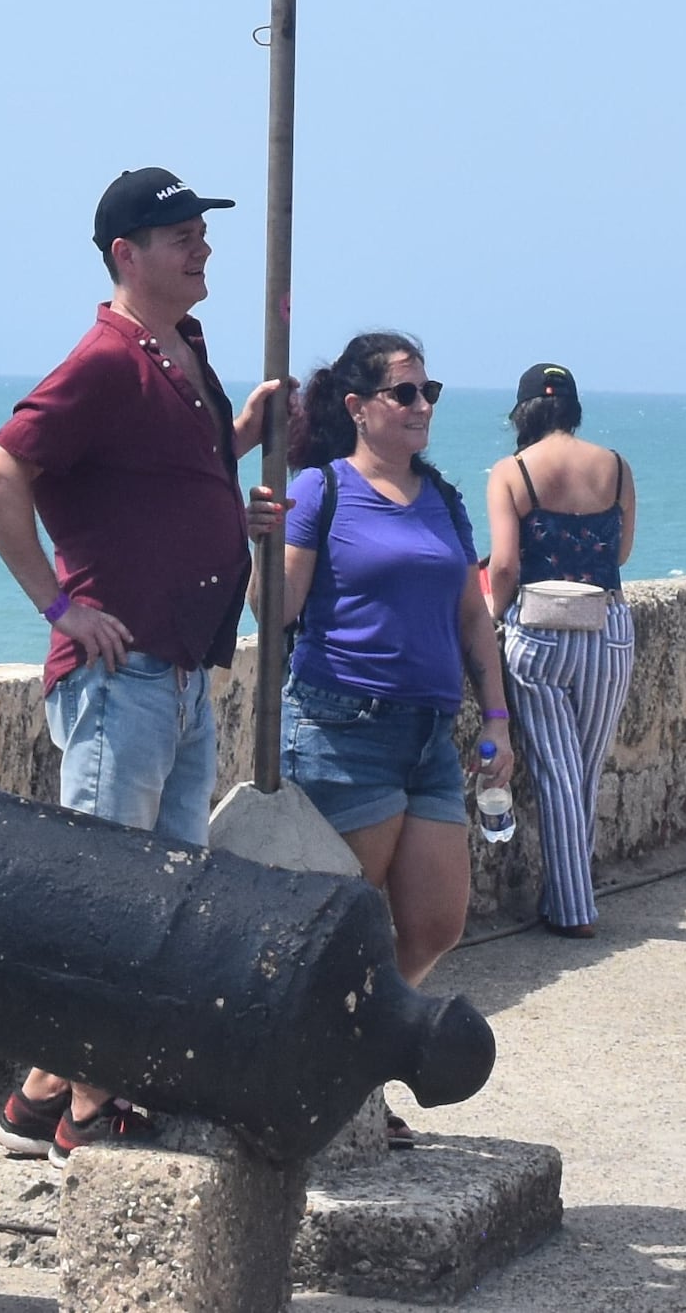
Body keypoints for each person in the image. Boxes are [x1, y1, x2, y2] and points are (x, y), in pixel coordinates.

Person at [0, 164, 289, 1154]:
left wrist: (234, 479)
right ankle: (95, 1112)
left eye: (201, 231)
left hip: (186, 667)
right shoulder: (105, 358)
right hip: (125, 675)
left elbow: (160, 479)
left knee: (161, 903)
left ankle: (34, 1100)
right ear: (124, 254)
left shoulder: (180, 348)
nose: (201, 247)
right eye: (180, 234)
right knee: (111, 902)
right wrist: (62, 607)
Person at [278, 329, 513, 1027]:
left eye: (428, 391)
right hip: (343, 726)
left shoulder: (441, 496)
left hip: (430, 735)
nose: (421, 405)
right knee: (340, 929)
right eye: (403, 391)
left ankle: (352, 1051)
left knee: (437, 921)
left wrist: (497, 718)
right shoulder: (320, 489)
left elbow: (472, 614)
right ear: (357, 405)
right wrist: (261, 538)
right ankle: (337, 1077)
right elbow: (279, 607)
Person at [481, 360, 636, 937]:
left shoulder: (512, 471)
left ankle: (573, 910)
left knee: (554, 771)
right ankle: (568, 895)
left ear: (524, 412)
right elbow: (620, 555)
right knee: (585, 772)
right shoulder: (616, 467)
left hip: (540, 633)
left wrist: (495, 618)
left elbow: (503, 565)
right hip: (608, 627)